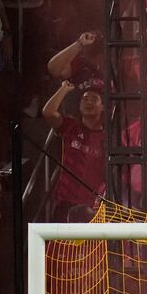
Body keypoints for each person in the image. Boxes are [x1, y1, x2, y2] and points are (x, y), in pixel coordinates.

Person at [41, 80, 106, 221]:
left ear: (103, 107)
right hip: (64, 204)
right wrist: (63, 89)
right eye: (85, 99)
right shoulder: (70, 126)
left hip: (92, 208)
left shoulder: (108, 138)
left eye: (94, 99)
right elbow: (48, 113)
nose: (88, 102)